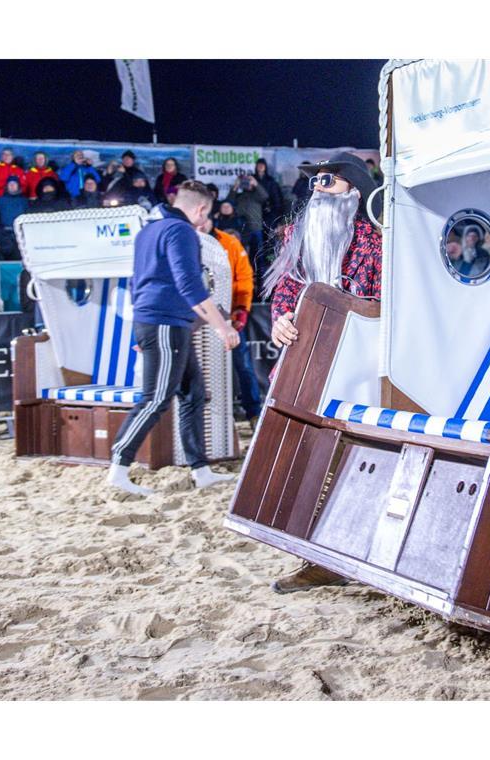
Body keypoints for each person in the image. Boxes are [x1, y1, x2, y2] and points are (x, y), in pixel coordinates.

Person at [262, 151, 383, 594]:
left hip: (363, 366)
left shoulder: (378, 238)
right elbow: (288, 286)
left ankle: (346, 553)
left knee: (352, 459)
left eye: (327, 181)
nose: (317, 190)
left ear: (353, 187)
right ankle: (315, 555)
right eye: (314, 182)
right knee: (305, 455)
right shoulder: (300, 233)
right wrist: (281, 319)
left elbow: (385, 300)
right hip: (308, 360)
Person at [106, 180, 240, 496]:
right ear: (202, 209)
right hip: (165, 323)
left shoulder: (148, 231)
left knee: (194, 394)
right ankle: (118, 468)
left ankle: (201, 470)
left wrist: (142, 330)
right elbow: (191, 287)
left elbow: (137, 281)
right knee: (155, 398)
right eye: (207, 215)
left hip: (161, 323)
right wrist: (223, 326)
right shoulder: (181, 232)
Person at [201, 215, 262, 427]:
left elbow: (244, 277)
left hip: (229, 317)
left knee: (243, 365)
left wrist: (242, 309)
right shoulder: (186, 240)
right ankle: (208, 416)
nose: (200, 223)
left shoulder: (229, 242)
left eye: (205, 218)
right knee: (201, 368)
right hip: (199, 319)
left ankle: (254, 413)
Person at [230, 170, 269, 263]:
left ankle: (260, 276)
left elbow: (265, 196)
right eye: (245, 182)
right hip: (242, 229)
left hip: (256, 228)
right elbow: (229, 201)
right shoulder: (239, 196)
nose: (246, 184)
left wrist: (255, 183)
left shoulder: (257, 195)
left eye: (248, 182)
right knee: (244, 254)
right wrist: (235, 186)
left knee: (259, 255)